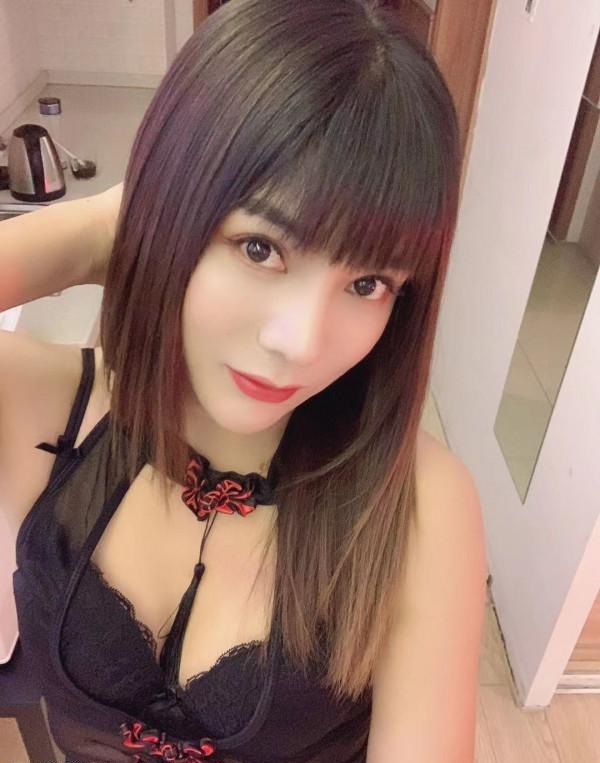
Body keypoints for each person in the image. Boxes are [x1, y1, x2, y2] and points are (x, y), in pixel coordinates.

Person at [0, 1, 487, 761]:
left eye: (367, 284)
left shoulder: (417, 507)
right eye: (261, 247)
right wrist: (100, 230)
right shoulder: (40, 405)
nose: (299, 342)